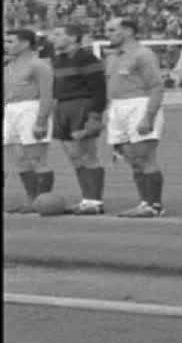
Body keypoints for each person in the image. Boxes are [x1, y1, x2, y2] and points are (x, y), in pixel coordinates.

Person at [104, 17, 167, 218]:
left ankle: (154, 205)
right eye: (107, 30)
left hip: (139, 104)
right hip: (117, 107)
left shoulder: (143, 54)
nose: (108, 34)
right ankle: (144, 202)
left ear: (129, 31)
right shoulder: (113, 57)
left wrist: (149, 116)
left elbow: (156, 85)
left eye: (113, 29)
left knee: (144, 156)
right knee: (132, 158)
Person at [50, 24, 107, 215]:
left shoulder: (87, 58)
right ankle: (86, 199)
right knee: (74, 156)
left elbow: (100, 90)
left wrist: (94, 116)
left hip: (82, 105)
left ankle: (95, 201)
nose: (53, 38)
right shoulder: (58, 59)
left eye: (58, 34)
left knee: (87, 155)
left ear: (73, 38)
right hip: (62, 107)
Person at [3, 29, 54, 212]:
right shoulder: (8, 65)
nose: (6, 45)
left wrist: (41, 120)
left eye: (10, 41)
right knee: (20, 160)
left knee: (36, 158)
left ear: (24, 44)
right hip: (10, 110)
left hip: (30, 109)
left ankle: (43, 201)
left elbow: (47, 95)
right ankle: (31, 200)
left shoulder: (38, 65)